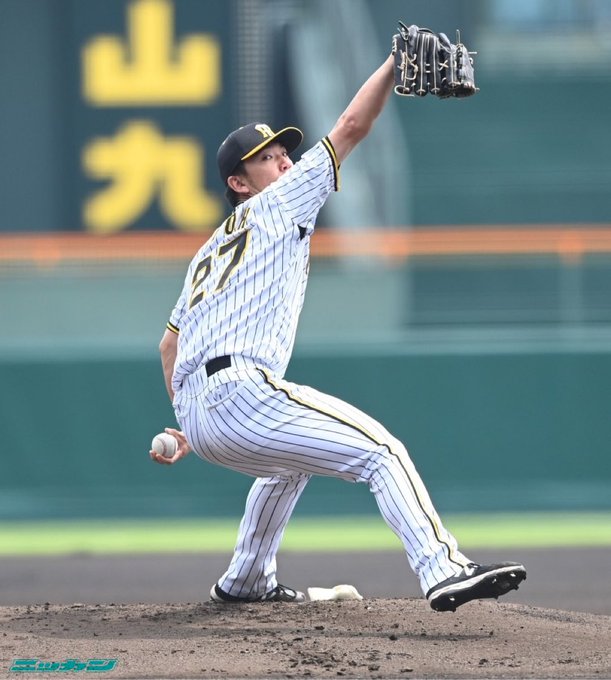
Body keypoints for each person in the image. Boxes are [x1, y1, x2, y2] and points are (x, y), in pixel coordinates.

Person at [151, 48, 526, 611]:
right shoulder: (279, 204)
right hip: (240, 392)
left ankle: (246, 579)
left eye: (284, 152)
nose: (284, 163)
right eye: (267, 158)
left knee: (290, 464)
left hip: (203, 416)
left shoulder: (206, 252)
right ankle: (443, 568)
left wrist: (188, 424)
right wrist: (395, 64)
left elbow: (169, 346)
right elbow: (351, 126)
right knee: (382, 452)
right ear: (239, 182)